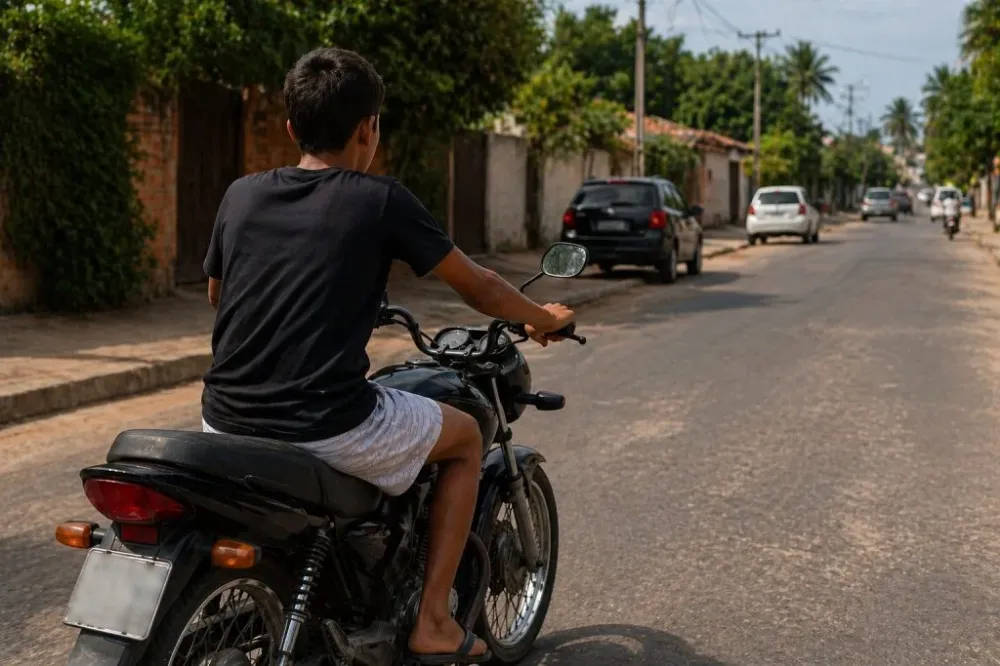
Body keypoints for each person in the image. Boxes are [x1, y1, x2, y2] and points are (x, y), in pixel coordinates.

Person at [200, 47, 575, 664]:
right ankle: (434, 622)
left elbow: (220, 294)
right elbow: (481, 287)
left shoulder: (241, 194)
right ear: (368, 128)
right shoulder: (379, 199)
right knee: (466, 437)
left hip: (223, 420)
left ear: (291, 127)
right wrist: (543, 317)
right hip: (325, 425)